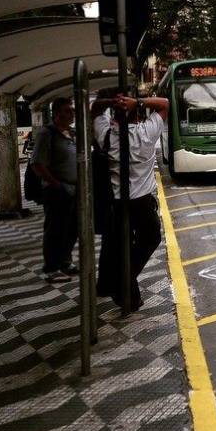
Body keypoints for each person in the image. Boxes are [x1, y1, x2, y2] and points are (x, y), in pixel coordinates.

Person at [92, 93, 169, 311]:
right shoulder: (146, 133)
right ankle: (124, 285)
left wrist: (112, 101)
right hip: (142, 203)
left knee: (121, 246)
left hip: (116, 204)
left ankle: (124, 290)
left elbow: (96, 108)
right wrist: (138, 102)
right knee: (150, 238)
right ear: (138, 116)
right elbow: (165, 104)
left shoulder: (106, 136)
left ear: (113, 117)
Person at [30, 97, 78, 283]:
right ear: (57, 113)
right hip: (57, 190)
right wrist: (56, 184)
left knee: (71, 228)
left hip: (73, 190)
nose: (71, 113)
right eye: (67, 110)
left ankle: (65, 261)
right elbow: (36, 163)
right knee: (55, 229)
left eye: (72, 110)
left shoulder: (71, 133)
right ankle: (51, 267)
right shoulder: (47, 134)